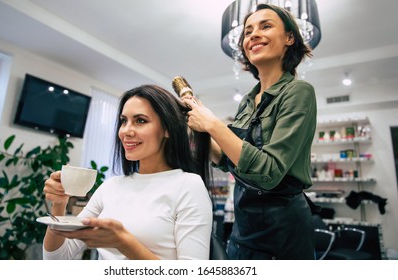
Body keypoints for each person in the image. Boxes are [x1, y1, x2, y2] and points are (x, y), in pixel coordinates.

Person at [182, 4, 317, 260]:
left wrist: (213, 124)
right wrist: (195, 128)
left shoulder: (299, 92)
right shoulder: (248, 100)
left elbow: (268, 172)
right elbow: (226, 159)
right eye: (247, 31)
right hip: (244, 227)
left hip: (283, 229)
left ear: (290, 38)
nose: (252, 35)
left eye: (265, 26)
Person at [42, 85, 213, 260]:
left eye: (140, 121)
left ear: (167, 129)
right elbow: (56, 259)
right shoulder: (110, 187)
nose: (125, 131)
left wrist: (124, 243)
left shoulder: (188, 186)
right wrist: (59, 205)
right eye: (124, 121)